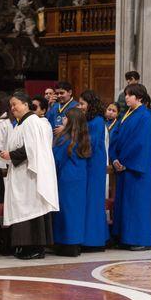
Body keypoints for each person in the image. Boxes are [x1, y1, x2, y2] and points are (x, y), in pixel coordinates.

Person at [0, 92, 58, 260]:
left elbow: (31, 149)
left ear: (25, 104)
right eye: (10, 105)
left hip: (29, 175)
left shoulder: (32, 122)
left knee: (31, 209)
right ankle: (24, 246)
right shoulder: (21, 123)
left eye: (15, 104)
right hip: (21, 173)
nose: (12, 108)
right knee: (25, 209)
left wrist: (11, 155)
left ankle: (35, 248)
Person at [109, 84, 151, 250]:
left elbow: (141, 143)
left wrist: (124, 162)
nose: (126, 97)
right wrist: (114, 158)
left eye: (130, 95)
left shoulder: (145, 116)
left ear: (140, 98)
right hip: (123, 166)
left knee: (137, 204)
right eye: (126, 94)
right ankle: (124, 237)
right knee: (124, 204)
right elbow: (115, 137)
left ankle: (140, 240)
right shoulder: (125, 114)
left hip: (136, 168)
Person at [52, 108, 90, 256]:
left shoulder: (64, 138)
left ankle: (66, 244)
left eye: (66, 118)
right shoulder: (83, 137)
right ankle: (75, 243)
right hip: (80, 179)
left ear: (72, 121)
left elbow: (57, 159)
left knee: (66, 212)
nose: (63, 120)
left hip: (66, 179)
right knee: (77, 212)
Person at [78, 90, 109, 250]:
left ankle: (94, 241)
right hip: (88, 163)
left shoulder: (97, 121)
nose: (80, 106)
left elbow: (92, 142)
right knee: (88, 201)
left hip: (94, 165)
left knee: (94, 201)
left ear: (91, 105)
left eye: (82, 103)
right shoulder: (88, 120)